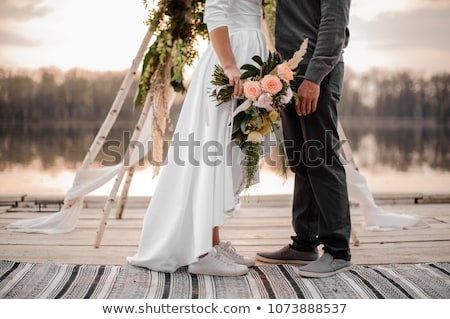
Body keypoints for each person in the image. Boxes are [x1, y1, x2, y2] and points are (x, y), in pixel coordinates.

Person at [127, 0, 266, 276]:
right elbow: (215, 11)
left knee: (230, 153)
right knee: (211, 153)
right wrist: (229, 65)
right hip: (233, 61)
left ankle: (212, 243)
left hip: (249, 55)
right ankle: (201, 254)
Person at [256, 0, 353, 278]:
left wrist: (314, 78)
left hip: (315, 73)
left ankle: (338, 250)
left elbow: (334, 26)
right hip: (289, 72)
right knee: (300, 160)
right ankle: (304, 244)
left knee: (322, 159)